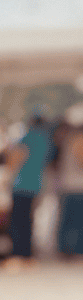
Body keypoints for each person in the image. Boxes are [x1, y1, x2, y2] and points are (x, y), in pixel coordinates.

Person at [4, 111, 55, 267]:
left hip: (21, 184)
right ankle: (28, 254)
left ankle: (19, 254)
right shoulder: (47, 140)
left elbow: (15, 159)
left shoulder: (27, 138)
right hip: (37, 185)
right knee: (29, 221)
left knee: (18, 221)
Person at [56, 103, 83, 259]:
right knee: (77, 222)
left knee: (67, 220)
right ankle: (74, 251)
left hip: (67, 184)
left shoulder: (66, 137)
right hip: (77, 186)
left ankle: (65, 250)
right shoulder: (79, 139)